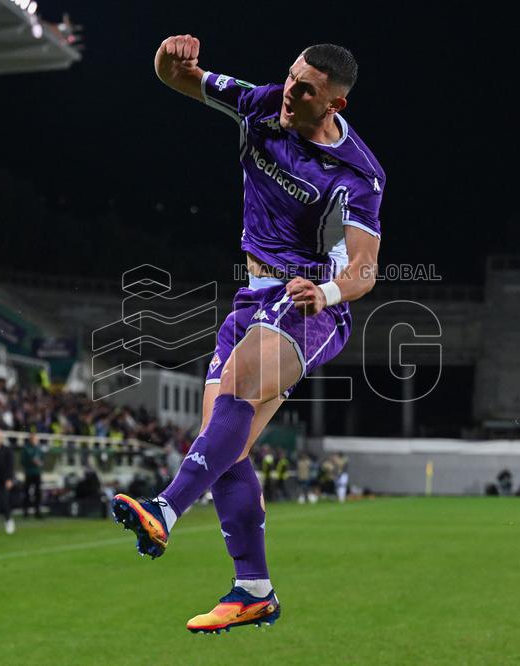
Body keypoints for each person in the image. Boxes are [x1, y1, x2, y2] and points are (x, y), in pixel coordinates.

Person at [112, 35, 384, 634]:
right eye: (290, 77)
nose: (289, 91)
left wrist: (328, 292)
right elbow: (179, 78)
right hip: (252, 297)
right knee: (224, 443)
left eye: (305, 89)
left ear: (334, 104)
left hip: (308, 302)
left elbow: (364, 269)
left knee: (233, 394)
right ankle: (254, 589)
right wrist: (167, 57)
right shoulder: (260, 102)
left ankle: (165, 510)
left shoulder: (357, 174)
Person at [21, 433, 45, 519]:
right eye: (34, 439)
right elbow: (23, 461)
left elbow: (42, 459)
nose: (35, 441)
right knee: (27, 492)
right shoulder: (26, 448)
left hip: (37, 473)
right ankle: (26, 511)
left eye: (36, 439)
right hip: (29, 473)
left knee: (38, 493)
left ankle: (37, 511)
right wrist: (31, 462)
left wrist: (40, 463)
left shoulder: (39, 449)